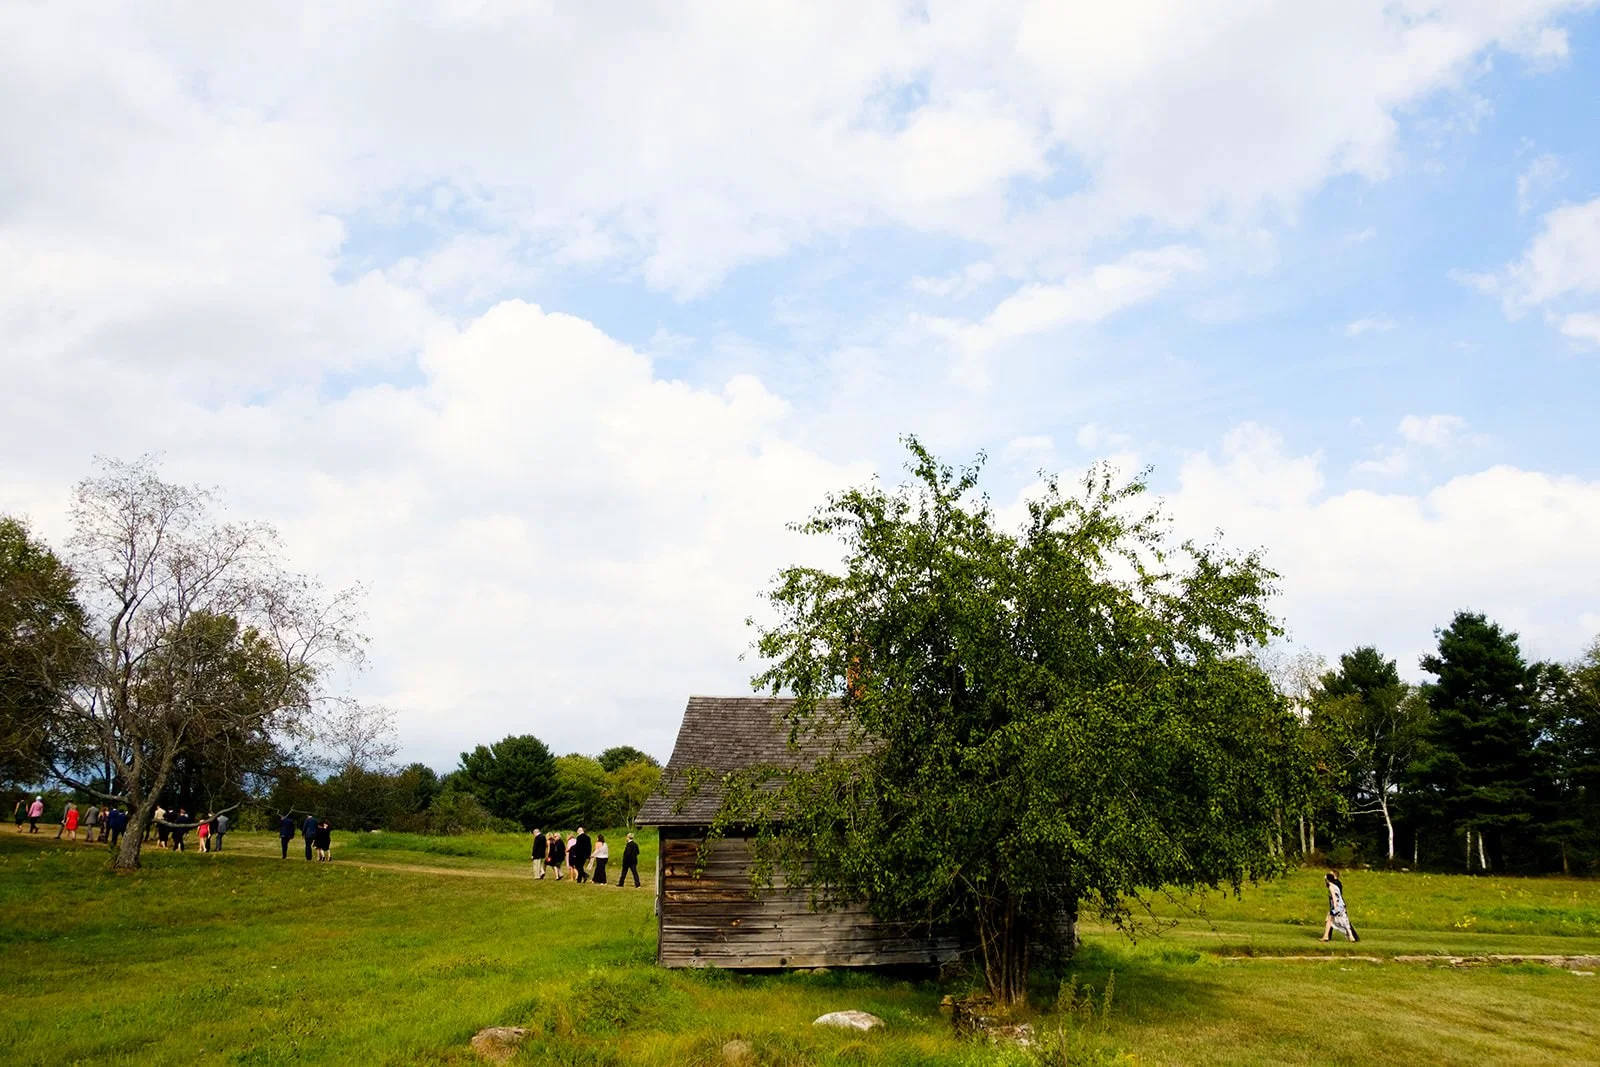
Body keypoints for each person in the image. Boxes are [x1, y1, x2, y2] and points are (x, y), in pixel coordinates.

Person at [1321, 870, 1360, 943]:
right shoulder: (1336, 884)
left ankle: (1326, 936)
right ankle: (1351, 937)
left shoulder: (1333, 885)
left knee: (1329, 919)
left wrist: (1334, 907)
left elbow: (1333, 896)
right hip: (1341, 905)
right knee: (1344, 921)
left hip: (1336, 905)